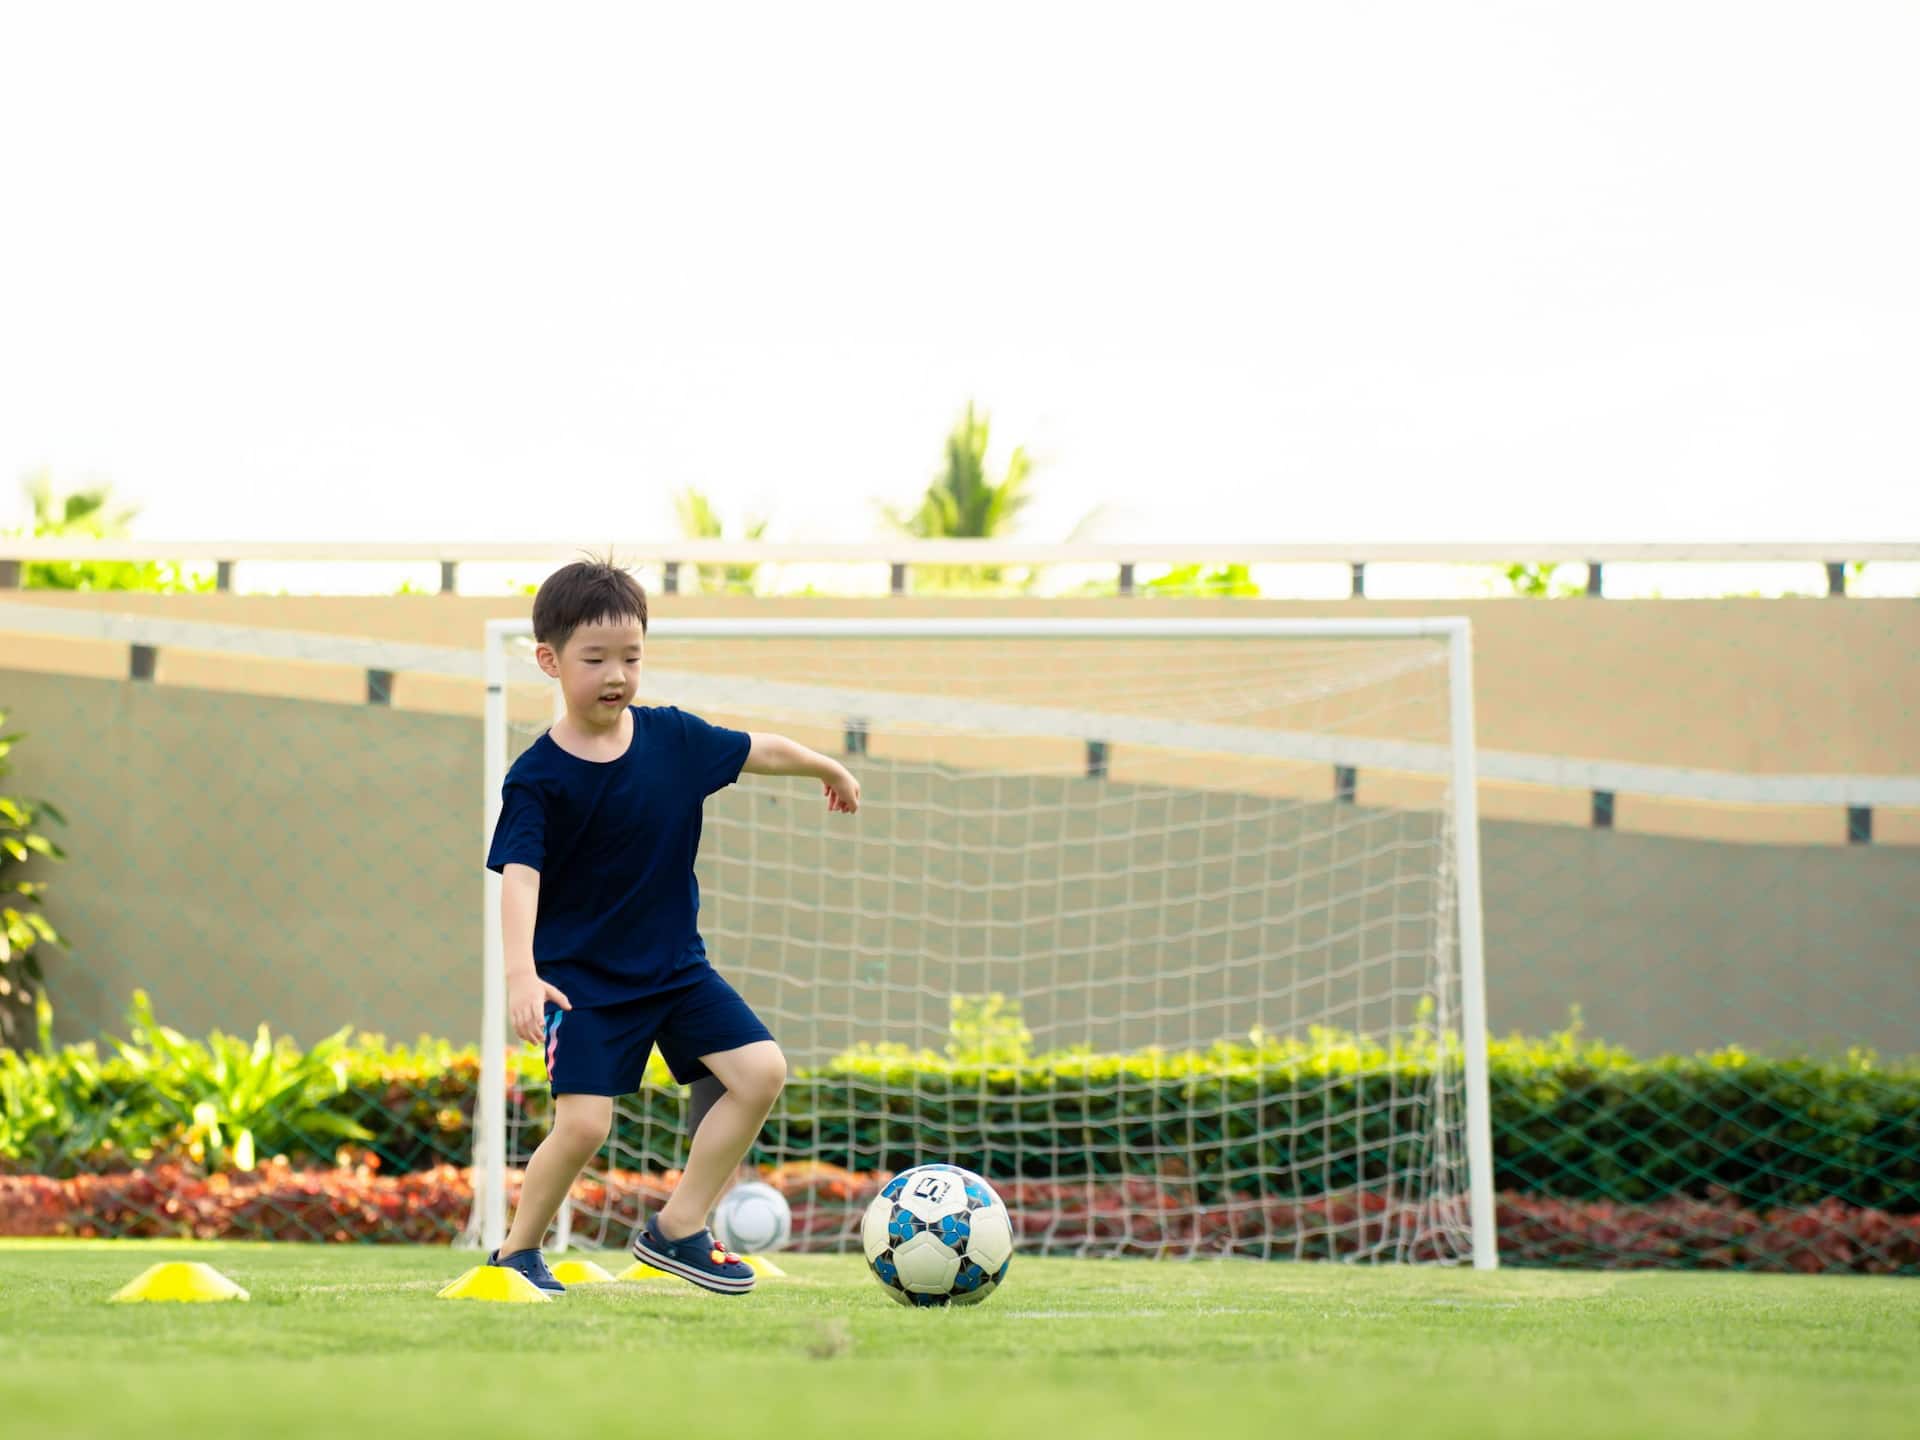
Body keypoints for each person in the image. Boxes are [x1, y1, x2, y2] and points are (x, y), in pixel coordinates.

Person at [483, 559, 860, 1294]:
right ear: (550, 661)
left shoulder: (674, 740)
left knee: (760, 1072)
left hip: (677, 970)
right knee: (587, 1125)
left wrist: (827, 768)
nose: (617, 674)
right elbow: (519, 878)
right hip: (582, 984)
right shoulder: (537, 778)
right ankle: (517, 1252)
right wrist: (522, 973)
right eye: (595, 659)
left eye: (632, 656)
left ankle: (679, 1229)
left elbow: (762, 750)